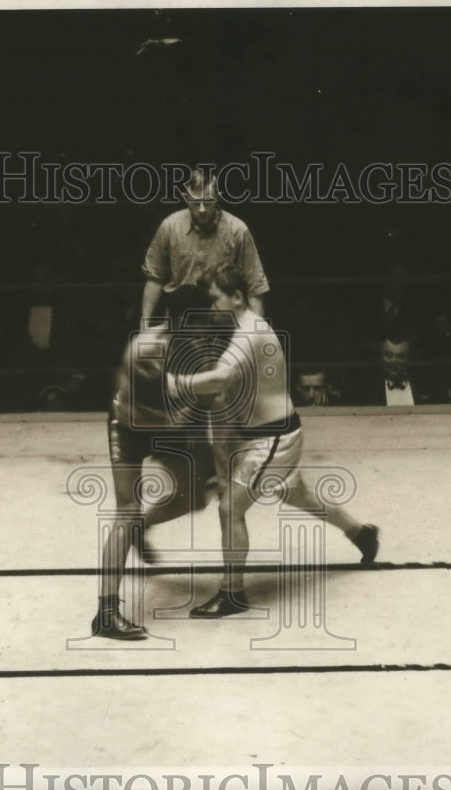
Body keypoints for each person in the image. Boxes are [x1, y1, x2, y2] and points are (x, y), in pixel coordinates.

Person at [166, 265, 379, 619]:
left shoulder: (249, 333)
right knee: (300, 496)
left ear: (237, 296)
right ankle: (361, 534)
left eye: (215, 298)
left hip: (272, 440)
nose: (211, 307)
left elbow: (220, 379)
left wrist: (173, 385)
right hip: (269, 436)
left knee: (230, 508)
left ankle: (232, 594)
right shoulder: (241, 330)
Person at [92, 286, 221, 640]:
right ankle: (105, 613)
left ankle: (142, 527)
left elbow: (203, 405)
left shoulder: (198, 347)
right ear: (180, 319)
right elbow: (181, 409)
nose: (208, 326)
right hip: (131, 426)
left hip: (168, 424)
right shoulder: (146, 350)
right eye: (201, 321)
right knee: (126, 511)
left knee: (195, 498)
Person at [140, 168, 269, 325]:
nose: (202, 209)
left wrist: (256, 332)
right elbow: (155, 277)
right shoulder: (170, 227)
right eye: (196, 202)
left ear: (217, 198)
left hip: (221, 320)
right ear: (186, 198)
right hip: (180, 320)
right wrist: (144, 324)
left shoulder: (237, 230)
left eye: (207, 202)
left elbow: (254, 284)